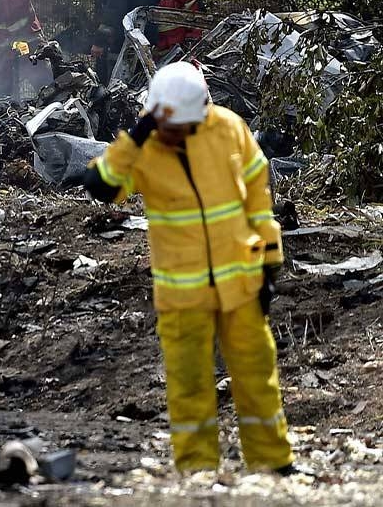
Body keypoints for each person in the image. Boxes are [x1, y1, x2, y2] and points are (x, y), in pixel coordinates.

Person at [83, 62, 298, 475]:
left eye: (179, 126)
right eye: (166, 126)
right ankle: (198, 471)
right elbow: (102, 187)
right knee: (189, 384)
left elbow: (258, 201)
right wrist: (135, 140)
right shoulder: (144, 150)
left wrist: (270, 264)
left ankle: (274, 462)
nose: (173, 134)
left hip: (241, 281)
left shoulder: (230, 130)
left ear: (201, 111)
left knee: (257, 373)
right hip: (182, 293)